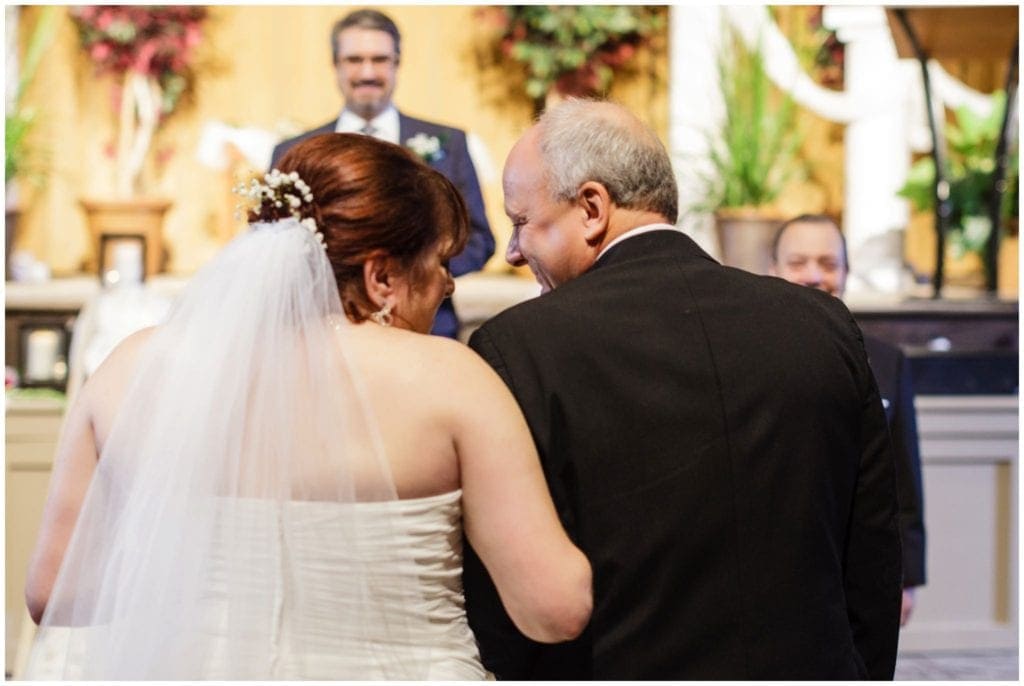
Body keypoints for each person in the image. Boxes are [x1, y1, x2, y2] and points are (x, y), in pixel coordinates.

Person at [23, 133, 591, 680]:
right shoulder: (450, 378)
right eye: (440, 263)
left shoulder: (132, 367)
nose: (446, 284)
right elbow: (552, 610)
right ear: (382, 276)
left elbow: (53, 593)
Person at [461, 99, 902, 680]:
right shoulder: (821, 325)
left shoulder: (517, 348)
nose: (514, 251)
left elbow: (504, 605)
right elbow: (870, 554)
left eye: (521, 222)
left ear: (592, 208)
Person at [270, 8, 494, 339]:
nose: (367, 72)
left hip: (427, 327)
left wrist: (413, 272)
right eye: (354, 60)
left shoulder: (449, 143)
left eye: (379, 59)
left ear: (397, 64)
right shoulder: (296, 150)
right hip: (325, 329)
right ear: (336, 66)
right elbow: (277, 243)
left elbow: (479, 240)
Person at [769, 213, 927, 626]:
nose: (814, 275)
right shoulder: (743, 358)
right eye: (798, 262)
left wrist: (906, 577)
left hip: (858, 565)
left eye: (828, 263)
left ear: (845, 272)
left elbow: (903, 478)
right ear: (773, 271)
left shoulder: (888, 361)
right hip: (772, 563)